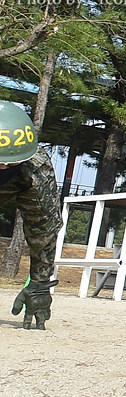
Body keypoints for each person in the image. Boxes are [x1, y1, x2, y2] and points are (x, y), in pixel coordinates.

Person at [0, 101, 62, 330]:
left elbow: (43, 227)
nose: (4, 167)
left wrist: (40, 283)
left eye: (10, 161)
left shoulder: (34, 167)